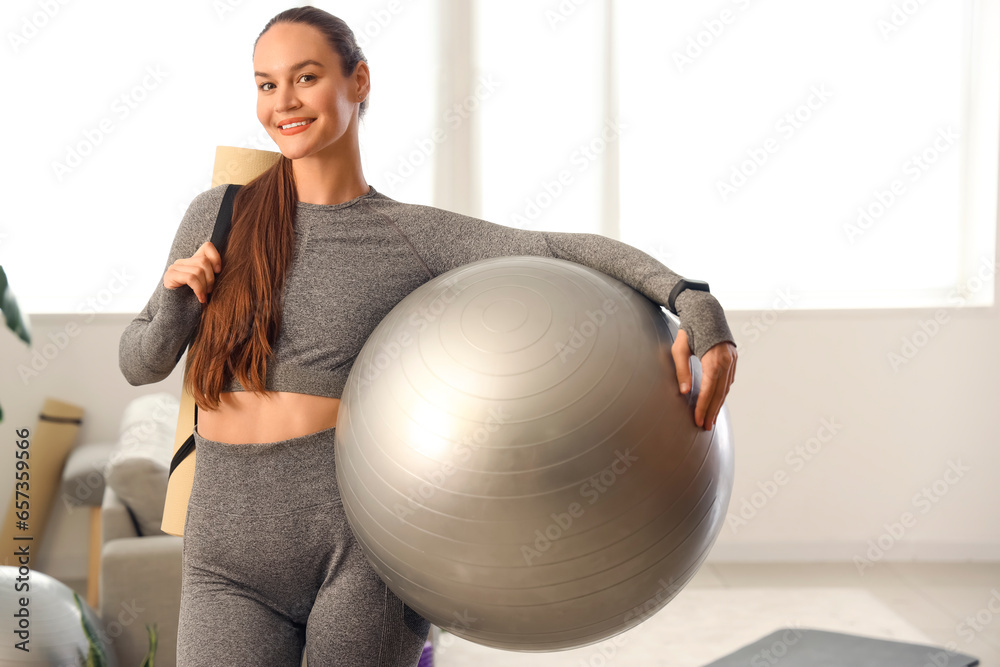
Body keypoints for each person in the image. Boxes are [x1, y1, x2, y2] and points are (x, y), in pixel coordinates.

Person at [118, 6, 738, 666]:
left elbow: (556, 248)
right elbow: (139, 361)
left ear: (358, 81)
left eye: (305, 77)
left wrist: (692, 301)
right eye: (266, 84)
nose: (283, 103)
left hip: (367, 545)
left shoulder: (410, 235)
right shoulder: (219, 213)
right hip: (228, 548)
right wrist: (177, 305)